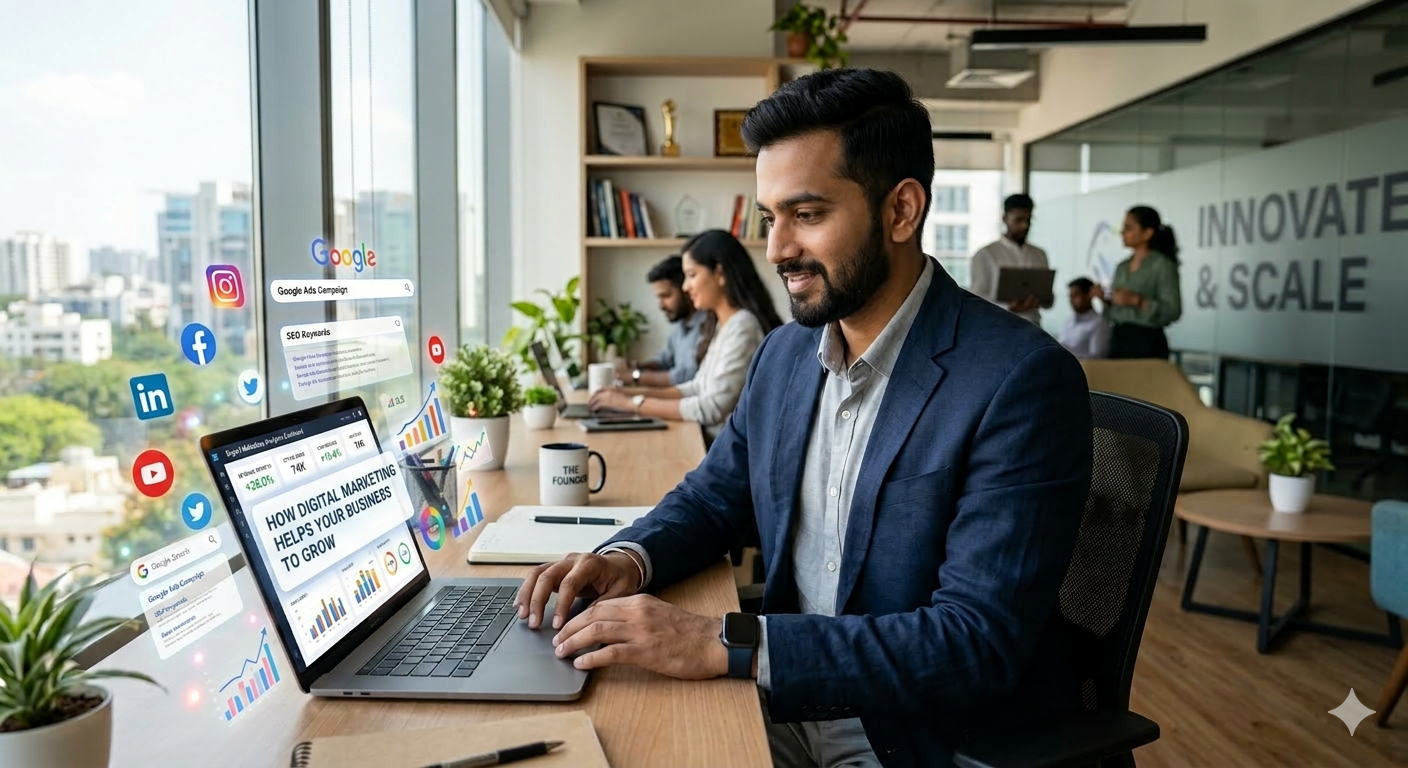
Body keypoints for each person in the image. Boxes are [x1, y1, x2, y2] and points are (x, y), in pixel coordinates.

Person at [518, 68, 1092, 768]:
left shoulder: (1019, 381)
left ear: (901, 211)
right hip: (783, 701)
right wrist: (626, 560)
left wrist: (720, 642)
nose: (776, 249)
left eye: (808, 215)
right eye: (769, 217)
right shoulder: (786, 355)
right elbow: (715, 497)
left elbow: (974, 640)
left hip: (914, 736)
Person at [589, 230, 782, 440]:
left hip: (722, 452)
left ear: (719, 274)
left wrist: (631, 404)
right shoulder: (723, 325)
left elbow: (712, 408)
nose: (685, 286)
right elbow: (696, 387)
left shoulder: (743, 325)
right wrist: (629, 395)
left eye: (692, 275)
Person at [1094, 205, 1182, 359]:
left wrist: (1137, 301)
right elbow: (1117, 309)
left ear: (1147, 233)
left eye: (1128, 228)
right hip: (1119, 337)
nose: (1122, 233)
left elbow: (1173, 310)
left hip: (1146, 339)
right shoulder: (1122, 266)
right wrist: (1105, 300)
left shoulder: (1161, 265)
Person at [614, 255, 706, 388]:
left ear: (686, 289)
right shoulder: (681, 325)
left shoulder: (707, 325)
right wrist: (636, 366)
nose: (661, 305)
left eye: (666, 296)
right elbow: (663, 361)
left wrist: (635, 376)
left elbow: (686, 376)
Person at [969, 193, 1051, 324]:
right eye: (1018, 220)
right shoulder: (985, 254)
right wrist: (1008, 308)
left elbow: (1048, 300)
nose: (1024, 226)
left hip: (1033, 327)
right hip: (1000, 326)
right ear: (1005, 218)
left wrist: (1043, 299)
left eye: (1028, 220)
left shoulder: (1039, 254)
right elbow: (977, 299)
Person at [1058, 277, 1110, 360]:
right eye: (1070, 296)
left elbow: (1097, 357)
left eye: (1076, 295)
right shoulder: (1069, 321)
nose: (1071, 300)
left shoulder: (1099, 323)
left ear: (1088, 295)